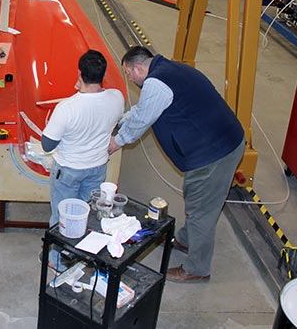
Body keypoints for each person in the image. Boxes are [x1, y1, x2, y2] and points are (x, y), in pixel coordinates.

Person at [108, 46, 245, 283]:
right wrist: (119, 119)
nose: (129, 79)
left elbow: (142, 120)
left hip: (214, 153)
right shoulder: (170, 70)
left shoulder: (156, 84)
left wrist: (116, 141)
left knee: (201, 210)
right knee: (196, 200)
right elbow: (143, 109)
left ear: (138, 68)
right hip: (222, 141)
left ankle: (196, 269)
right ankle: (185, 240)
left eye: (128, 74)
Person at [41, 50, 124, 227]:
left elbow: (47, 145)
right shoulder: (117, 98)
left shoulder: (66, 108)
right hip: (97, 167)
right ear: (103, 74)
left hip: (68, 169)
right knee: (87, 216)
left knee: (62, 219)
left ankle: (58, 245)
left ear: (79, 73)